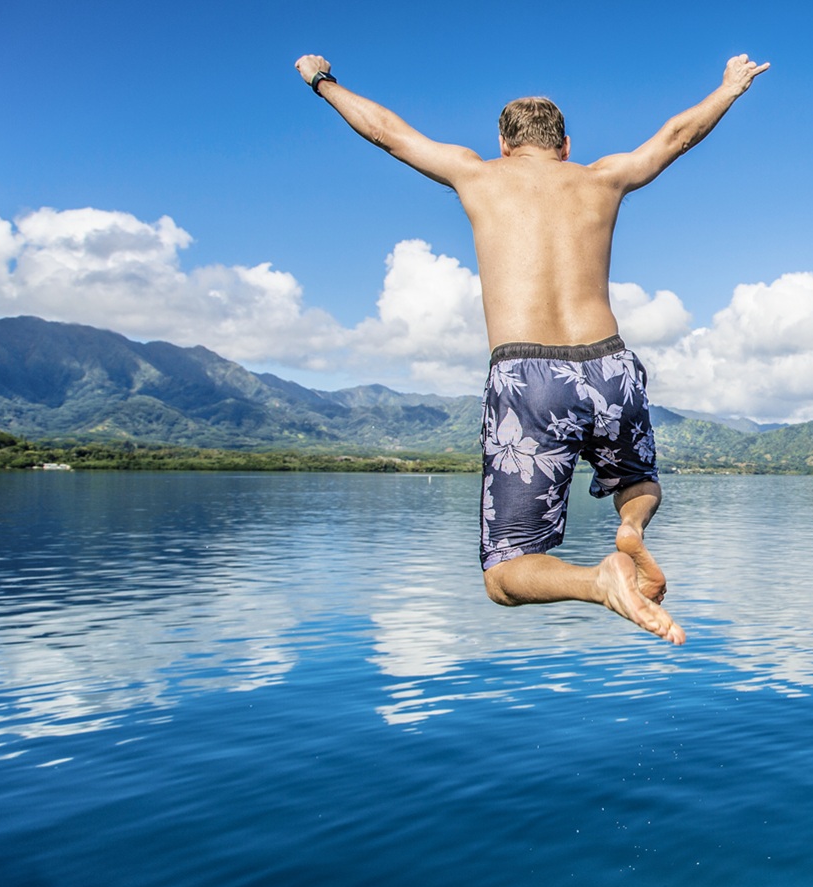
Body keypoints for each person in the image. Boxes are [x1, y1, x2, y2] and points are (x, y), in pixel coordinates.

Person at [294, 52, 770, 646]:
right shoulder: (603, 176)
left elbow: (388, 133)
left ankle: (599, 583)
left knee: (504, 573)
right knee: (639, 483)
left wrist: (321, 81)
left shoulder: (476, 173)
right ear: (566, 146)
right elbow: (676, 136)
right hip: (612, 364)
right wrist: (729, 87)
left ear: (502, 144)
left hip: (528, 377)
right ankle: (629, 528)